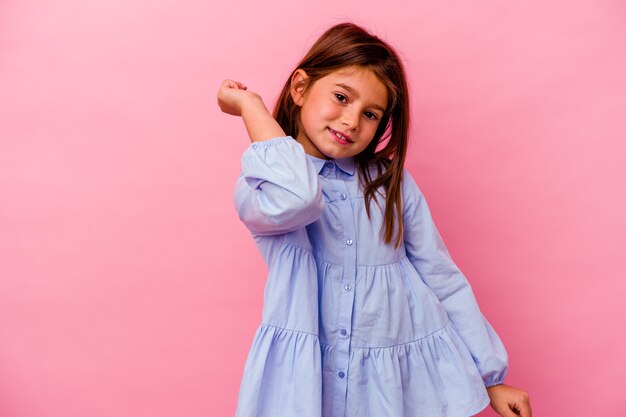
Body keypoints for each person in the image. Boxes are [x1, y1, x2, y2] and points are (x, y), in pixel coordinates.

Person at [217, 22, 532, 417]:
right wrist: (252, 107)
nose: (351, 121)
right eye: (341, 97)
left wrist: (491, 376)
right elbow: (299, 197)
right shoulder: (262, 187)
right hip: (315, 377)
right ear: (300, 89)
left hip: (395, 381)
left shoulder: (389, 184)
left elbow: (441, 276)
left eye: (369, 113)